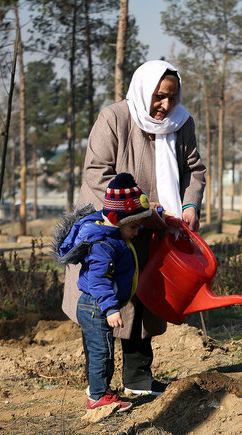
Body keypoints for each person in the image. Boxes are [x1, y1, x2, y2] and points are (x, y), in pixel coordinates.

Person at [61, 60, 206, 397]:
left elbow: (194, 170)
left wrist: (189, 205)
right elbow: (97, 173)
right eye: (159, 96)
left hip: (159, 230)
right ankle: (100, 388)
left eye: (172, 97)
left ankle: (138, 379)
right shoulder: (114, 118)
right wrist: (140, 210)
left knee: (144, 301)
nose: (165, 105)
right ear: (144, 89)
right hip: (112, 231)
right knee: (106, 302)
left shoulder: (181, 122)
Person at [54, 173, 155, 411]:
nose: (136, 232)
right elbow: (99, 281)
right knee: (103, 352)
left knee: (103, 349)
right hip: (96, 306)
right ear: (114, 219)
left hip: (95, 306)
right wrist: (110, 308)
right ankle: (98, 397)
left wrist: (155, 213)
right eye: (133, 226)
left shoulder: (111, 231)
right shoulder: (103, 245)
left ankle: (101, 392)